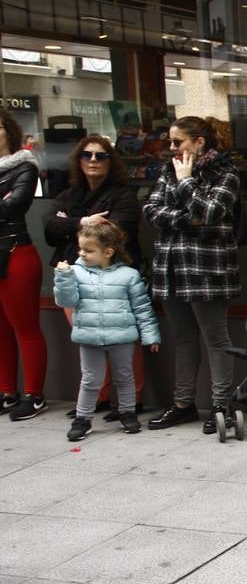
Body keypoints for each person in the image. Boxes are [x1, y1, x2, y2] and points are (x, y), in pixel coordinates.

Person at [142, 115, 241, 434]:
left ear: (199, 142)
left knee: (216, 338)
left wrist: (186, 182)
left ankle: (221, 406)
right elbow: (151, 210)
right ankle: (183, 404)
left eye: (177, 141)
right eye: (169, 141)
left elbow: (211, 212)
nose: (171, 148)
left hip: (207, 268)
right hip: (171, 268)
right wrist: (188, 219)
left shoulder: (225, 173)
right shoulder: (167, 170)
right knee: (184, 338)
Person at [44, 134, 146, 419]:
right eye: (86, 155)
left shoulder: (124, 196)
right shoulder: (68, 195)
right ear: (78, 161)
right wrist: (84, 222)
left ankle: (131, 401)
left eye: (100, 156)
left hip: (114, 278)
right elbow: (50, 230)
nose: (92, 160)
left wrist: (68, 224)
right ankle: (98, 396)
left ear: (111, 162)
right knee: (89, 337)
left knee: (123, 339)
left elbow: (114, 233)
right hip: (74, 276)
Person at [53, 221, 160, 442]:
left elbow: (142, 307)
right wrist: (63, 278)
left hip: (121, 338)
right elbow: (66, 301)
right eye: (80, 248)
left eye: (89, 250)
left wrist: (150, 334)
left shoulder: (129, 275)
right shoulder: (75, 272)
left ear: (108, 252)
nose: (82, 254)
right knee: (90, 380)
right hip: (90, 338)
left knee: (125, 377)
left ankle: (127, 413)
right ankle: (82, 419)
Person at [0, 109, 47, 420]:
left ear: (8, 131)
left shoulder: (24, 165)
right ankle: (7, 392)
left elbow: (14, 205)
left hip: (15, 251)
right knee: (0, 330)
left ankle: (34, 394)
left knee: (25, 327)